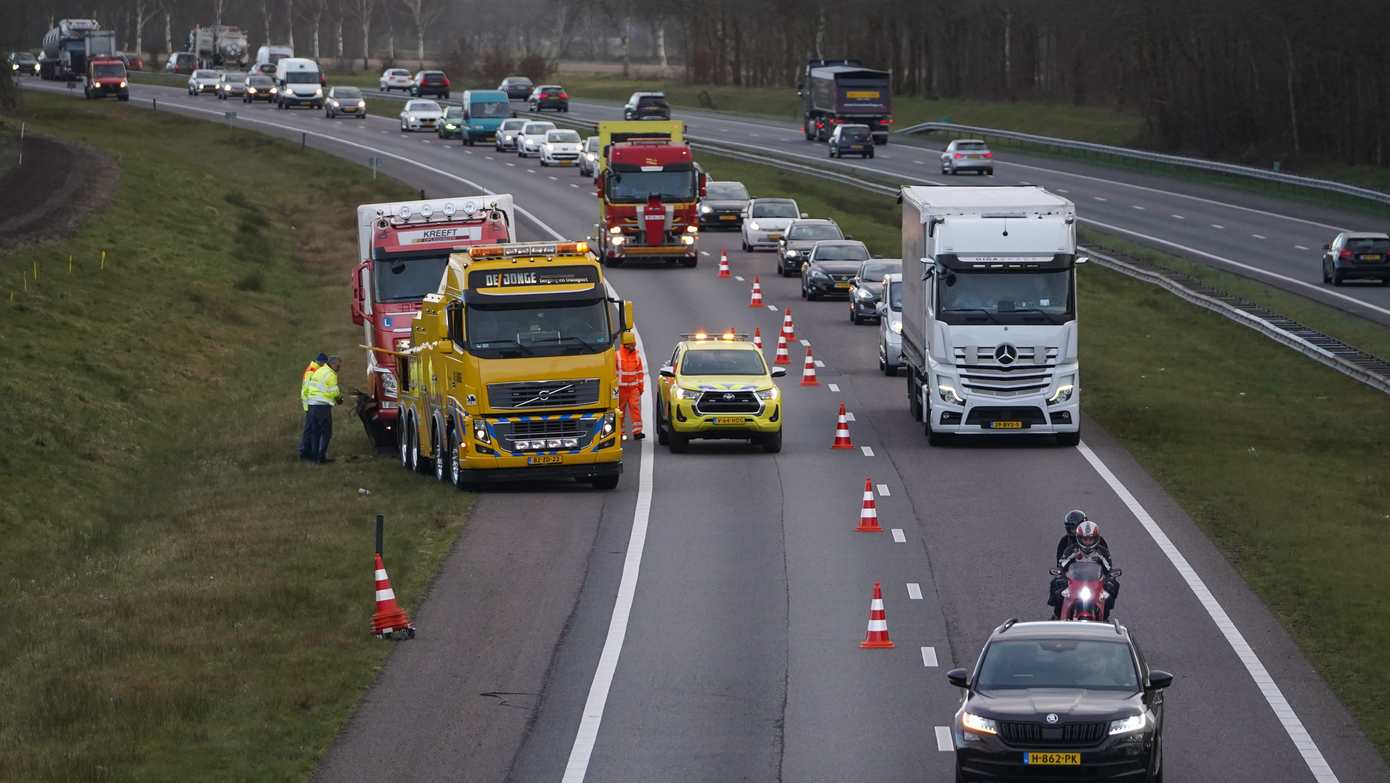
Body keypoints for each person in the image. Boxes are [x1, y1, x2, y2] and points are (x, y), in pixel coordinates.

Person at [1049, 520, 1120, 618]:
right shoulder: (1071, 550)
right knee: (1056, 585)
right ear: (1079, 538)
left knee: (1112, 587)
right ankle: (1057, 615)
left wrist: (1110, 579)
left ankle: (1104, 617)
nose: (1087, 542)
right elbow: (1061, 566)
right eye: (1084, 539)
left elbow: (1108, 569)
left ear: (1096, 539)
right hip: (1074, 583)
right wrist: (1061, 576)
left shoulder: (1102, 552)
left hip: (1095, 585)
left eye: (1090, 539)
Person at [304, 355, 343, 463]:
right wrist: (339, 399)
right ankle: (321, 457)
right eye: (339, 365)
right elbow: (334, 391)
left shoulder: (320, 370)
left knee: (315, 432)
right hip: (322, 406)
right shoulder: (330, 374)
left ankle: (315, 457)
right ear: (333, 364)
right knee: (326, 432)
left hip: (312, 404)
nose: (339, 368)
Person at [616, 331, 644, 440]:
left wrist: (640, 388)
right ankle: (620, 433)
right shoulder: (616, 355)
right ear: (626, 344)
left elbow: (640, 374)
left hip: (633, 389)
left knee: (635, 409)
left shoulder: (637, 357)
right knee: (620, 411)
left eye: (634, 344)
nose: (633, 346)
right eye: (631, 344)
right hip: (621, 389)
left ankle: (637, 432)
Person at [299, 352, 327, 460]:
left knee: (311, 428)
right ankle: (305, 452)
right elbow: (307, 388)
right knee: (309, 429)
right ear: (321, 362)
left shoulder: (313, 369)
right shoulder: (312, 371)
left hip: (310, 402)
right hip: (310, 403)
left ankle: (308, 451)